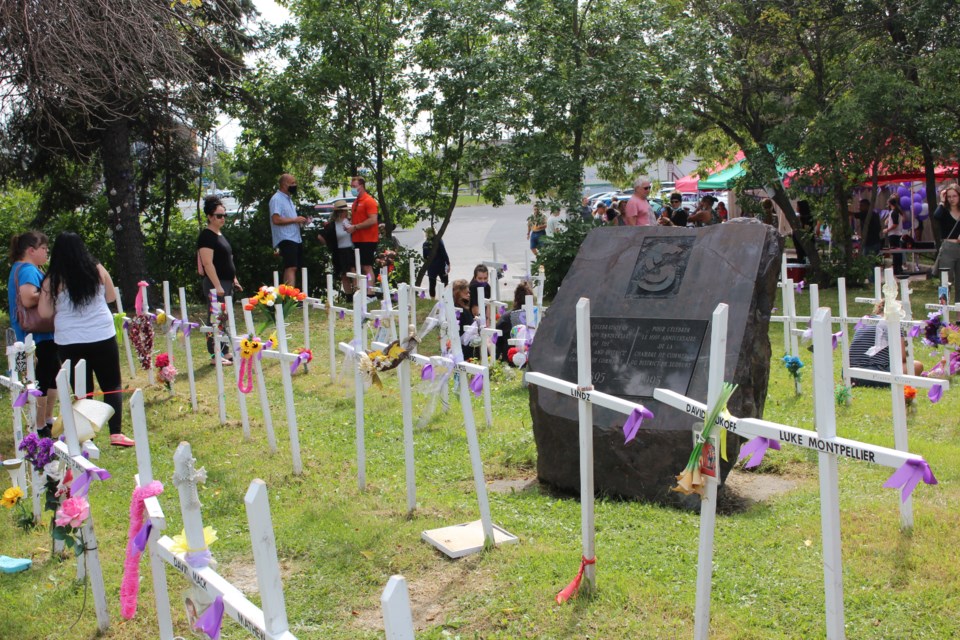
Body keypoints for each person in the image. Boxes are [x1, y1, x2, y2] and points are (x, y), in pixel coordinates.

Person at [37, 233, 133, 447]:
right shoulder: (97, 269)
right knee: (111, 384)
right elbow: (110, 297)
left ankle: (87, 434)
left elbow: (44, 312)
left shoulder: (53, 279)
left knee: (82, 386)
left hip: (70, 338)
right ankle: (116, 432)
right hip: (101, 333)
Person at [7, 231, 58, 435]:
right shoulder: (27, 269)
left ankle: (46, 418)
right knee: (43, 380)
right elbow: (28, 298)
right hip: (36, 336)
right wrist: (52, 292)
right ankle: (40, 425)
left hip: (41, 334)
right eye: (44, 248)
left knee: (51, 375)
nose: (47, 252)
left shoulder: (25, 268)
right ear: (31, 250)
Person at [198, 196, 241, 365]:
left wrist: (234, 279)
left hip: (227, 282)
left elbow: (227, 259)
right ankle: (215, 354)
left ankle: (224, 351)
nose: (222, 218)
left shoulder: (220, 234)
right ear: (209, 216)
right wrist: (216, 285)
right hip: (216, 283)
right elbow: (208, 263)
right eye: (218, 215)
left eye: (224, 215)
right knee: (215, 319)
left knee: (225, 318)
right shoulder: (207, 236)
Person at [849, 300, 923, 387]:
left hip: (849, 373)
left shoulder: (866, 320)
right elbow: (902, 357)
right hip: (871, 375)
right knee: (917, 365)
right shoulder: (893, 323)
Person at [269, 173, 308, 287]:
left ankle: (291, 294)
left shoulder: (288, 199)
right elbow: (276, 219)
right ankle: (289, 297)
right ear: (284, 184)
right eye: (292, 183)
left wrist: (299, 221)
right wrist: (295, 220)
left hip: (295, 237)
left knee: (294, 267)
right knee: (291, 266)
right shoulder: (277, 199)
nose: (294, 185)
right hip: (286, 237)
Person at [345, 176, 379, 293]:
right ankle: (361, 292)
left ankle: (370, 292)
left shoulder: (369, 201)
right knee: (357, 267)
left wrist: (355, 227)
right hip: (356, 239)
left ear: (362, 186)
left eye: (354, 186)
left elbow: (373, 220)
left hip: (368, 239)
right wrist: (350, 225)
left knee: (367, 267)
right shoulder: (355, 203)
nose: (352, 189)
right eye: (351, 186)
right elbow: (357, 220)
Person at [317, 200, 356, 295]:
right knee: (344, 275)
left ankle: (357, 293)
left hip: (351, 250)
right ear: (338, 212)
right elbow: (321, 236)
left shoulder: (351, 222)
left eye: (345, 211)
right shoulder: (331, 225)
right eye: (343, 211)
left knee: (354, 272)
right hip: (339, 252)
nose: (345, 213)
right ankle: (349, 295)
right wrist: (327, 245)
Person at [933, 183, 960, 302]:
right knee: (945, 281)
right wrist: (941, 201)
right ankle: (943, 313)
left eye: (954, 196)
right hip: (948, 248)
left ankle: (959, 316)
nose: (952, 199)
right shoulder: (943, 210)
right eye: (949, 196)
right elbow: (936, 216)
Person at [495, 282, 533, 363]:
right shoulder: (535, 318)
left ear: (515, 299)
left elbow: (496, 341)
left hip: (509, 358)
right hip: (530, 358)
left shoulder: (505, 318)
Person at [451, 279, 478, 360]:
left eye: (469, 293)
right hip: (464, 348)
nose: (469, 295)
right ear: (458, 293)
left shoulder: (459, 308)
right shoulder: (461, 311)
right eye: (466, 293)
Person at [421, 227, 450, 299]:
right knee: (445, 282)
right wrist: (448, 263)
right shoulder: (439, 241)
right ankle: (444, 298)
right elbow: (444, 253)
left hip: (431, 266)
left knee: (432, 284)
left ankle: (432, 299)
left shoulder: (425, 244)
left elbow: (425, 257)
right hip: (441, 265)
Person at [884, 196, 904, 276]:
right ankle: (898, 267)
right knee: (897, 252)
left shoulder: (894, 212)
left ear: (890, 203)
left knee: (895, 252)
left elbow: (895, 224)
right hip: (898, 233)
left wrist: (887, 230)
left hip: (893, 234)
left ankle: (897, 268)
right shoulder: (896, 212)